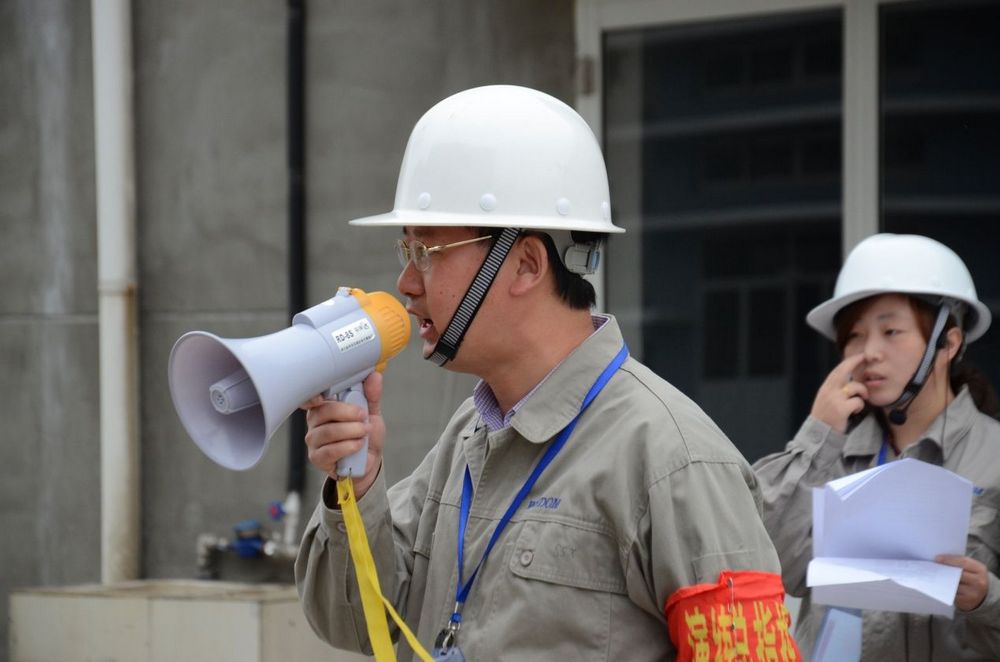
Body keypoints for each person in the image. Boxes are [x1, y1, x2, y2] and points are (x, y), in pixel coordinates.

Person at [295, 85, 800, 661]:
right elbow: (360, 624)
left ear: (526, 264)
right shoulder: (470, 435)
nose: (407, 284)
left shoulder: (675, 459)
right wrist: (359, 484)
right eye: (406, 252)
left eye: (428, 253)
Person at [753, 233, 1000, 660]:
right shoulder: (827, 451)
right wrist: (817, 433)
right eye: (855, 335)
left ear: (949, 344)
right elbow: (766, 563)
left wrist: (986, 598)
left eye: (891, 331)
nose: (869, 353)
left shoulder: (993, 454)